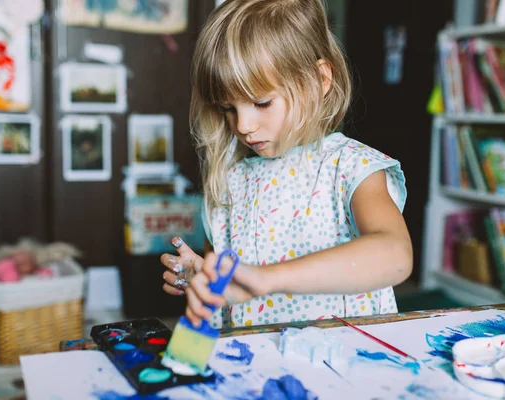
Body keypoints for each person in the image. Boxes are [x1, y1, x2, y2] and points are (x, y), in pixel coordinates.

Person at [160, 0, 413, 330]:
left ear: (320, 79)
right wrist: (204, 277)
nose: (244, 125)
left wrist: (267, 279)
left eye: (262, 102)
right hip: (257, 369)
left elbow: (395, 255)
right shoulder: (231, 183)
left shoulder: (352, 167)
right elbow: (224, 296)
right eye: (228, 108)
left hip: (349, 366)